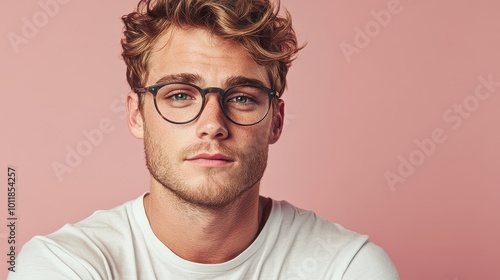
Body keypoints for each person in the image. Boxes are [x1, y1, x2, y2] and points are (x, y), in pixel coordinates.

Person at [9, 0, 399, 279]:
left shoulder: (346, 268)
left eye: (242, 98)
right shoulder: (64, 265)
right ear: (136, 114)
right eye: (180, 94)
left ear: (276, 121)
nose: (212, 124)